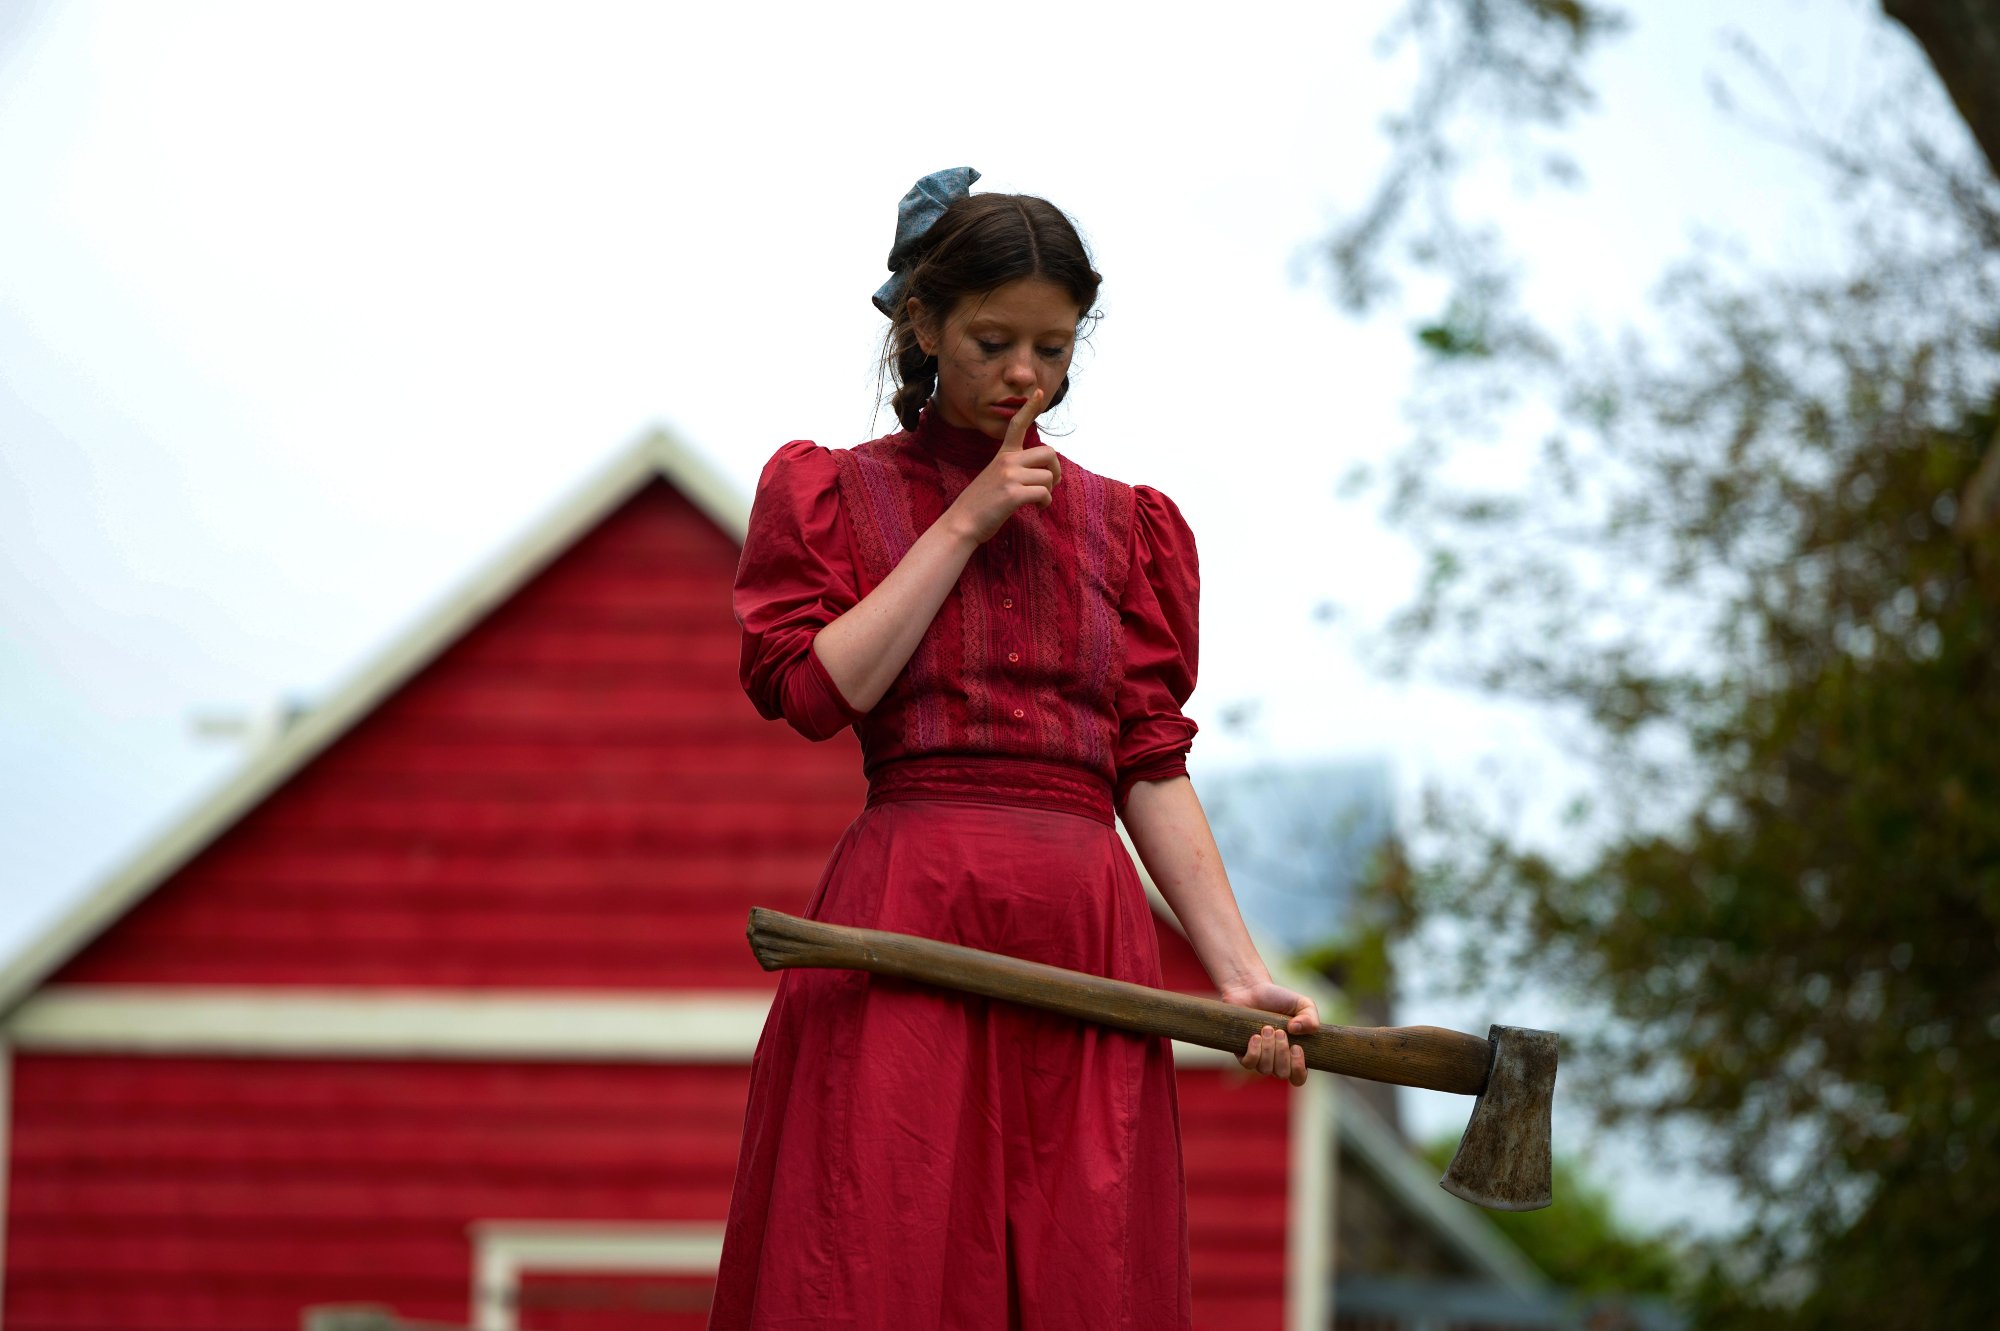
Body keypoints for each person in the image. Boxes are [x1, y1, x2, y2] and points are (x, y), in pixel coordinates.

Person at [711, 167, 1319, 1330]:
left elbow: (1147, 758)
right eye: (993, 341)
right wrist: (967, 518)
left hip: (1085, 933)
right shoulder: (836, 491)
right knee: (873, 1250)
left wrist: (1235, 973)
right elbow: (816, 690)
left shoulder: (1126, 524)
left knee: (1083, 1263)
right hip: (908, 911)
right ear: (922, 326)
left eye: (1052, 345)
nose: (1025, 374)